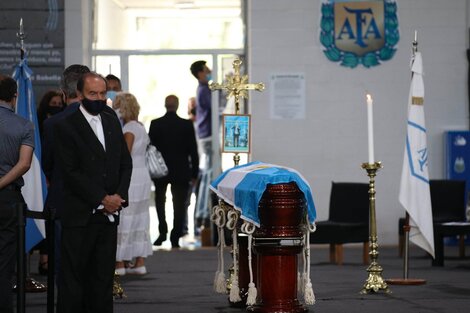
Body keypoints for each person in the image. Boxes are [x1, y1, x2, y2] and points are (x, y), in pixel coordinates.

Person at [54, 72, 132, 313]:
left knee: (102, 280)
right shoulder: (64, 125)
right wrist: (102, 198)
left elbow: (124, 163)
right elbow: (70, 171)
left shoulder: (110, 119)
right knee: (74, 281)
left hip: (108, 218)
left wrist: (118, 197)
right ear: (79, 94)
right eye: (92, 94)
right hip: (79, 216)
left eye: (102, 94)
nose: (98, 98)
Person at [41, 64, 91, 282]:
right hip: (96, 201)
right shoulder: (105, 119)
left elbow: (48, 165)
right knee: (92, 267)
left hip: (63, 200)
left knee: (65, 267)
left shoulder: (52, 123)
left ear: (63, 93)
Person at [0, 74, 34, 313]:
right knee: (4, 263)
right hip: (8, 198)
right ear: (15, 97)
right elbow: (24, 164)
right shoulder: (24, 125)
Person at [148, 95, 199, 248]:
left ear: (165, 105)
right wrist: (194, 173)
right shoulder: (186, 125)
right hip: (181, 170)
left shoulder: (155, 124)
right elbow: (193, 150)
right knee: (179, 204)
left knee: (160, 201)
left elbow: (150, 150)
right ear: (177, 106)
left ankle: (162, 231)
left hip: (160, 170)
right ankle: (175, 236)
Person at [114, 92, 152, 275]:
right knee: (140, 218)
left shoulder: (128, 128)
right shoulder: (140, 126)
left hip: (132, 178)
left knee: (125, 218)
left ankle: (120, 263)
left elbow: (124, 156)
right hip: (142, 175)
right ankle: (139, 262)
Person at [190, 60, 213, 233]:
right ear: (200, 73)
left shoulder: (204, 89)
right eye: (206, 70)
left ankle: (203, 212)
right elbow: (214, 107)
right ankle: (204, 212)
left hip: (207, 134)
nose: (210, 71)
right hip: (209, 135)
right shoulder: (204, 90)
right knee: (209, 174)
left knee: (208, 173)